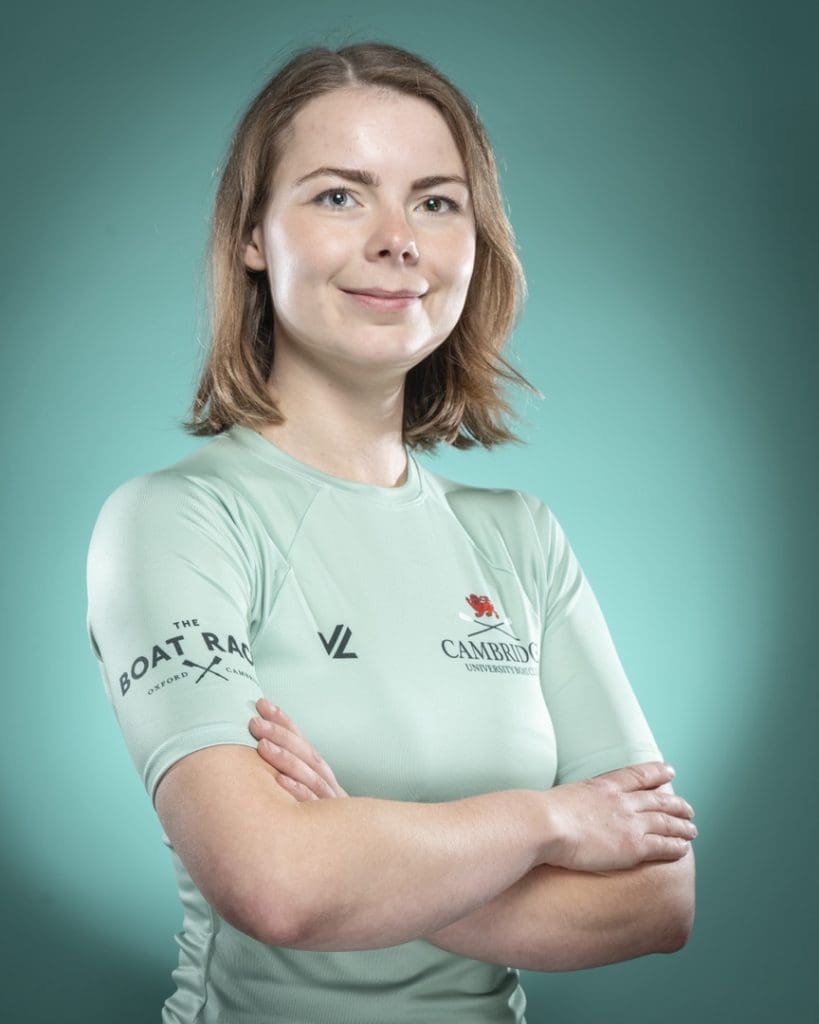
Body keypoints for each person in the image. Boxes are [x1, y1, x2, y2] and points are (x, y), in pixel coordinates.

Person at [84, 40, 696, 1024]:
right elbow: (277, 887)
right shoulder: (174, 521)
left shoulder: (523, 539)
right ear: (251, 235)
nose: (397, 239)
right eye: (339, 195)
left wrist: (364, 850)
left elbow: (658, 900)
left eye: (437, 201)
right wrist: (547, 822)